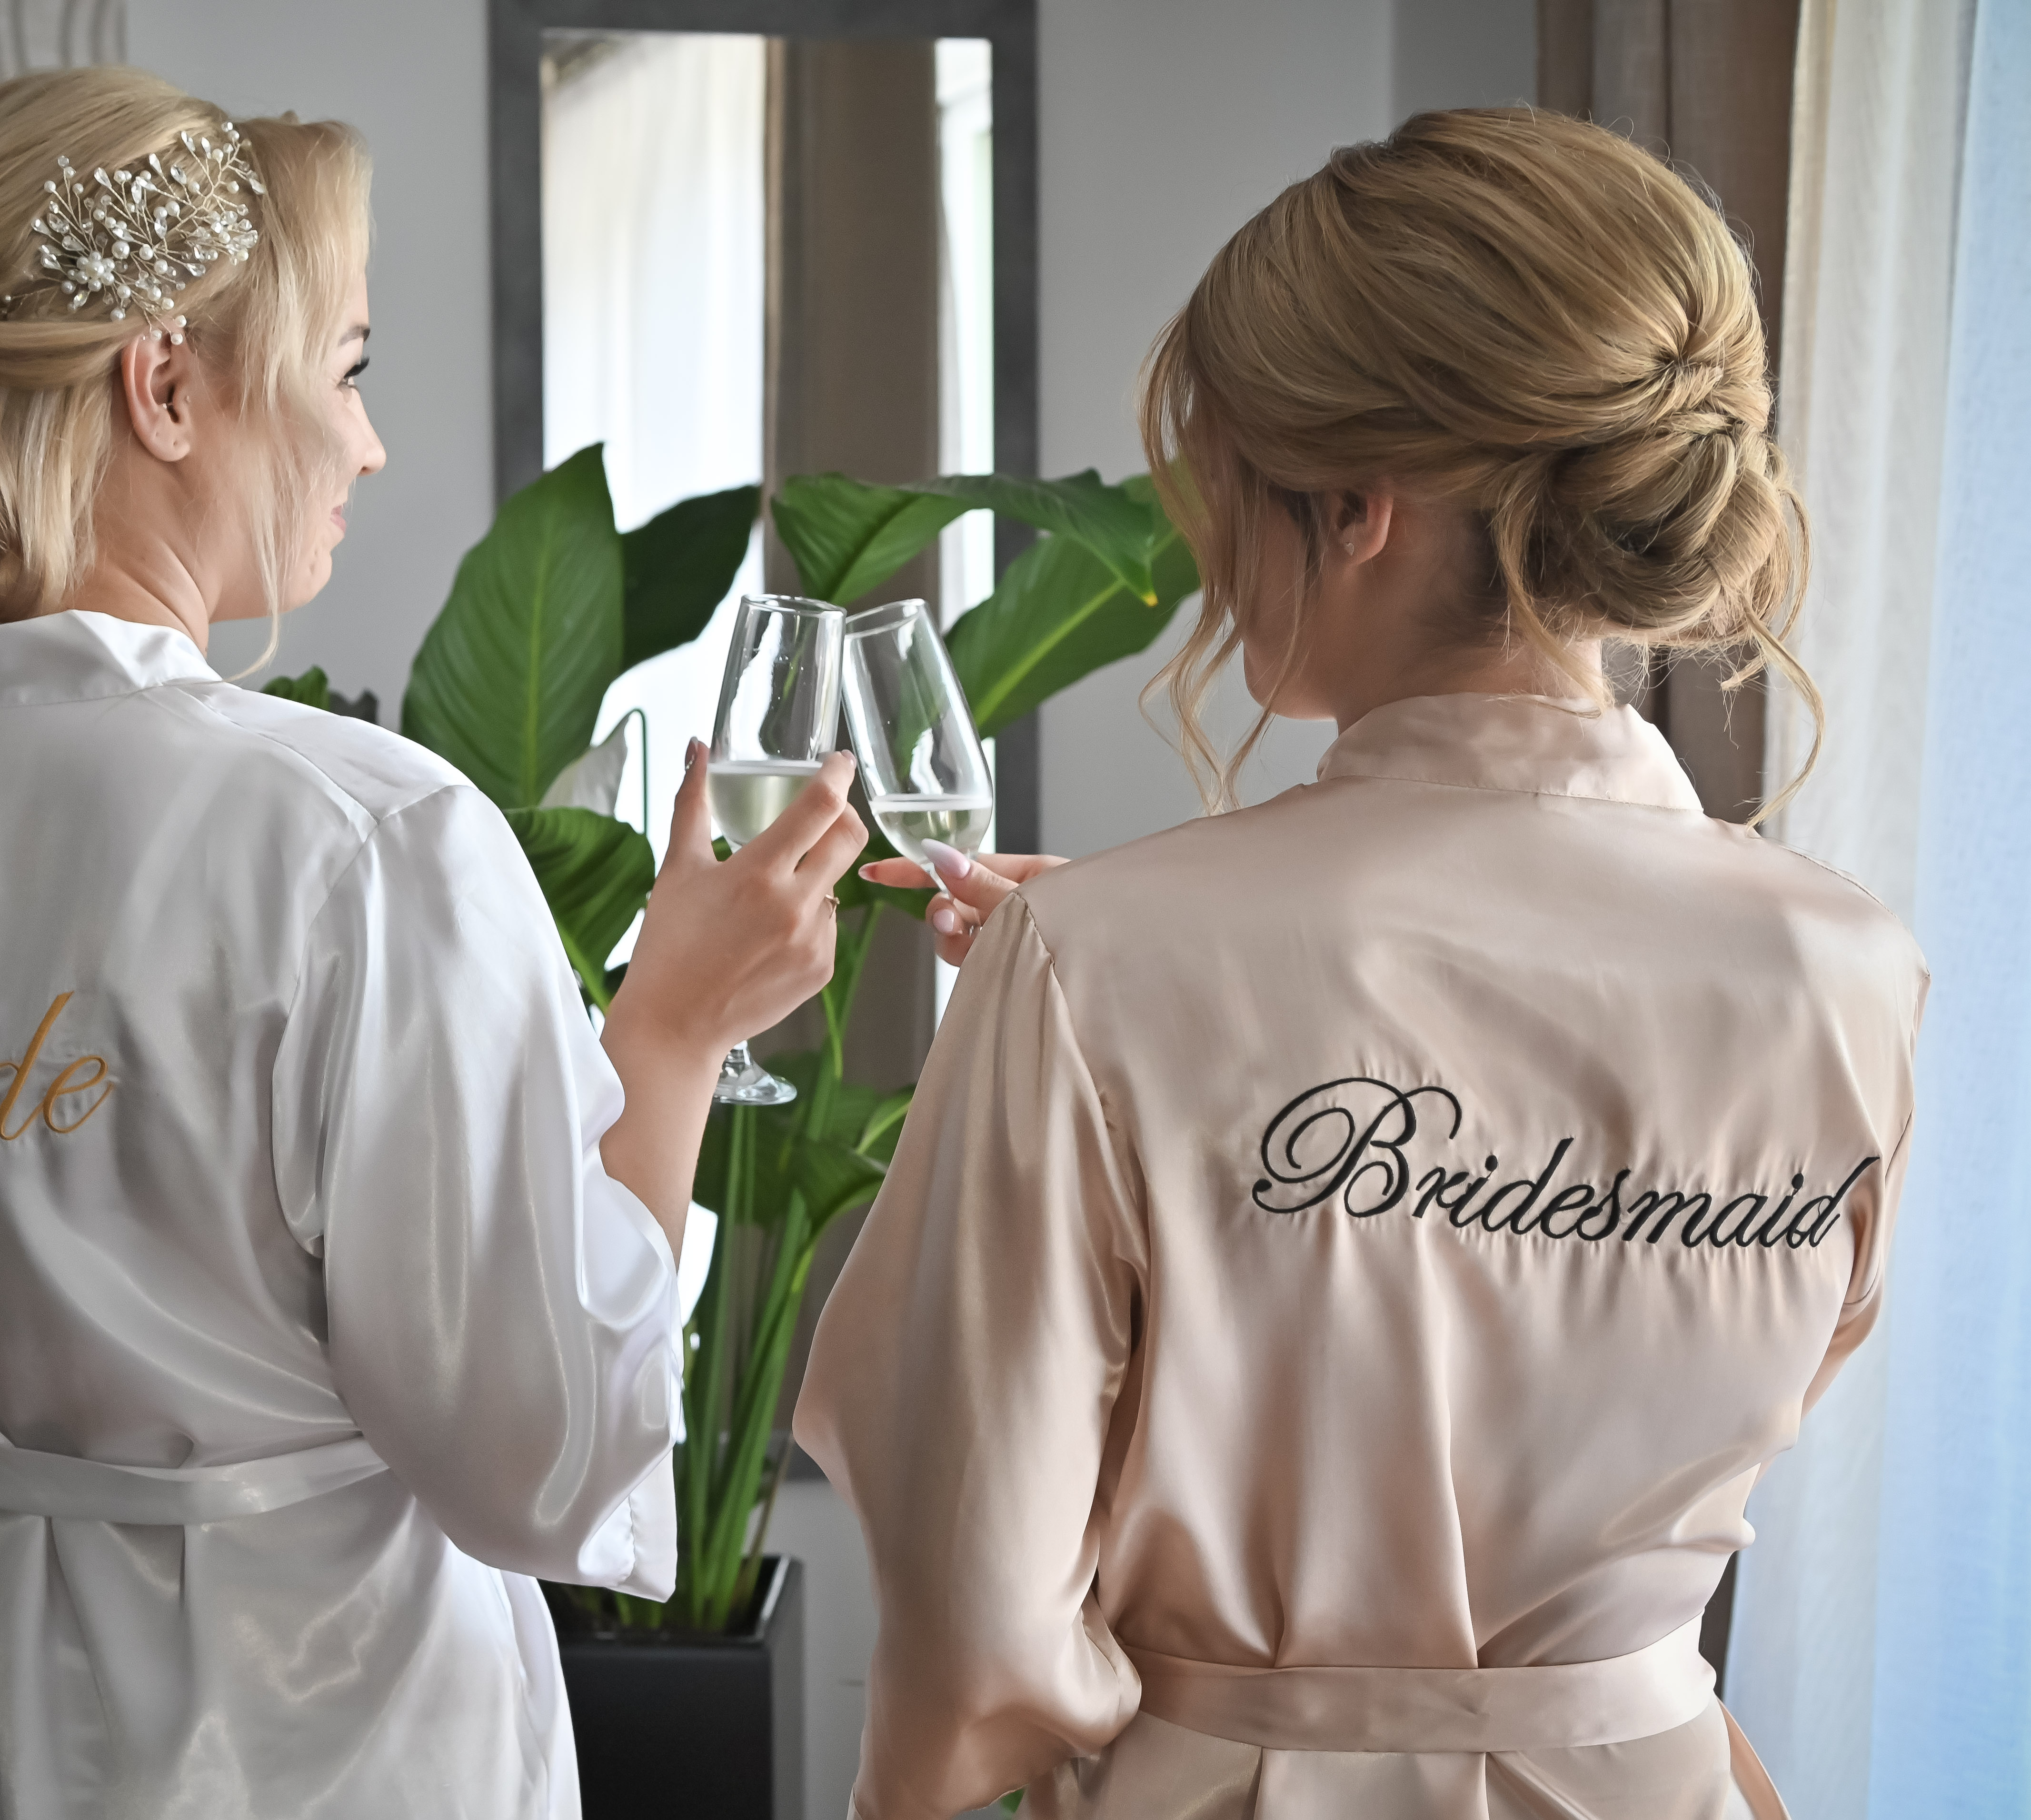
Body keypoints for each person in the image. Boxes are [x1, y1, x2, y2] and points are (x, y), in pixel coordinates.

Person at [0, 68, 865, 1819]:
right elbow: (534, 1457)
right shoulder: (358, 840)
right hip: (327, 1726)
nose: (366, 442)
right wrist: (675, 1031)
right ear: (164, 386)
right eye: (348, 368)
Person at [799, 108, 1923, 1820]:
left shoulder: (1095, 969)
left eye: (1220, 478)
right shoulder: (1847, 969)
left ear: (1354, 507)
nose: (1203, 542)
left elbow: (973, 1599)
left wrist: (1121, 989)